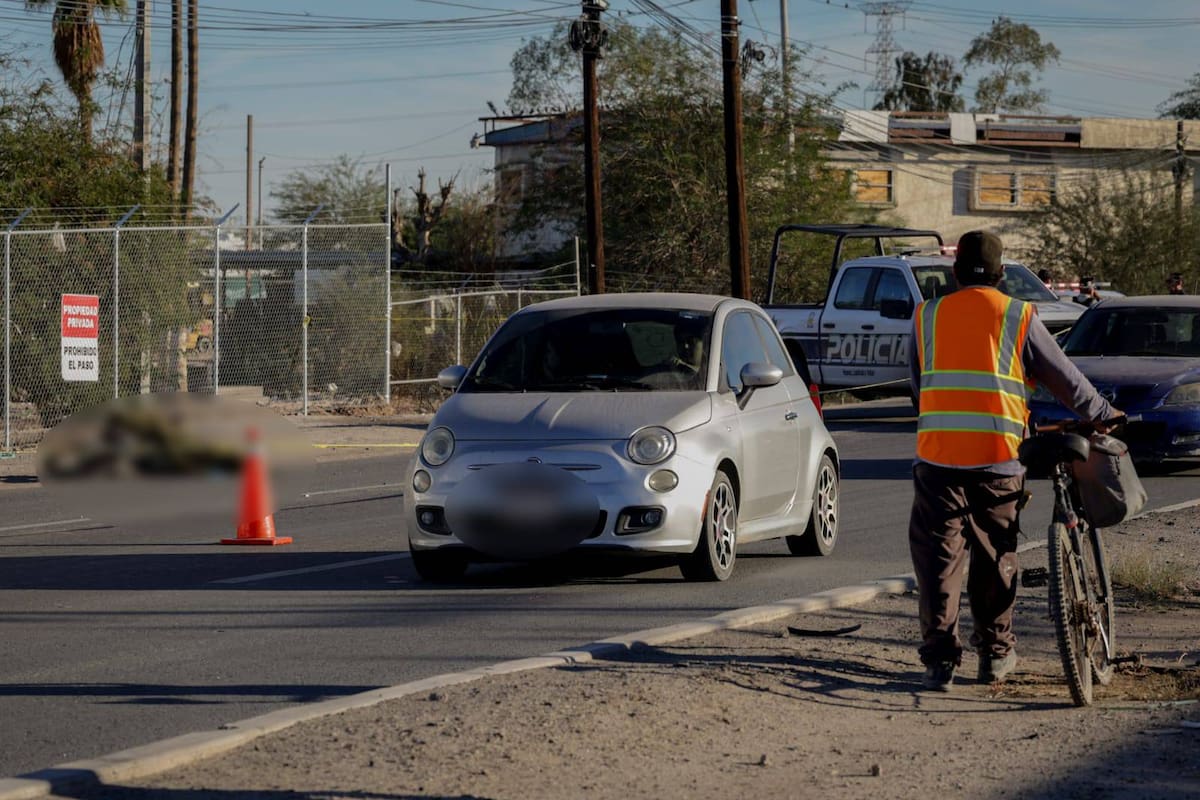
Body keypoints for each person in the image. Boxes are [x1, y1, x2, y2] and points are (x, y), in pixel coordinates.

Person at [908, 230, 1121, 692]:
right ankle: (994, 655)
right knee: (994, 558)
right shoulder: (1018, 315)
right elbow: (1065, 380)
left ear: (956, 272)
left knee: (939, 562)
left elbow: (917, 388)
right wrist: (1103, 415)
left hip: (938, 459)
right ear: (1002, 275)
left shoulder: (926, 316)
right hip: (999, 458)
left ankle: (939, 662)